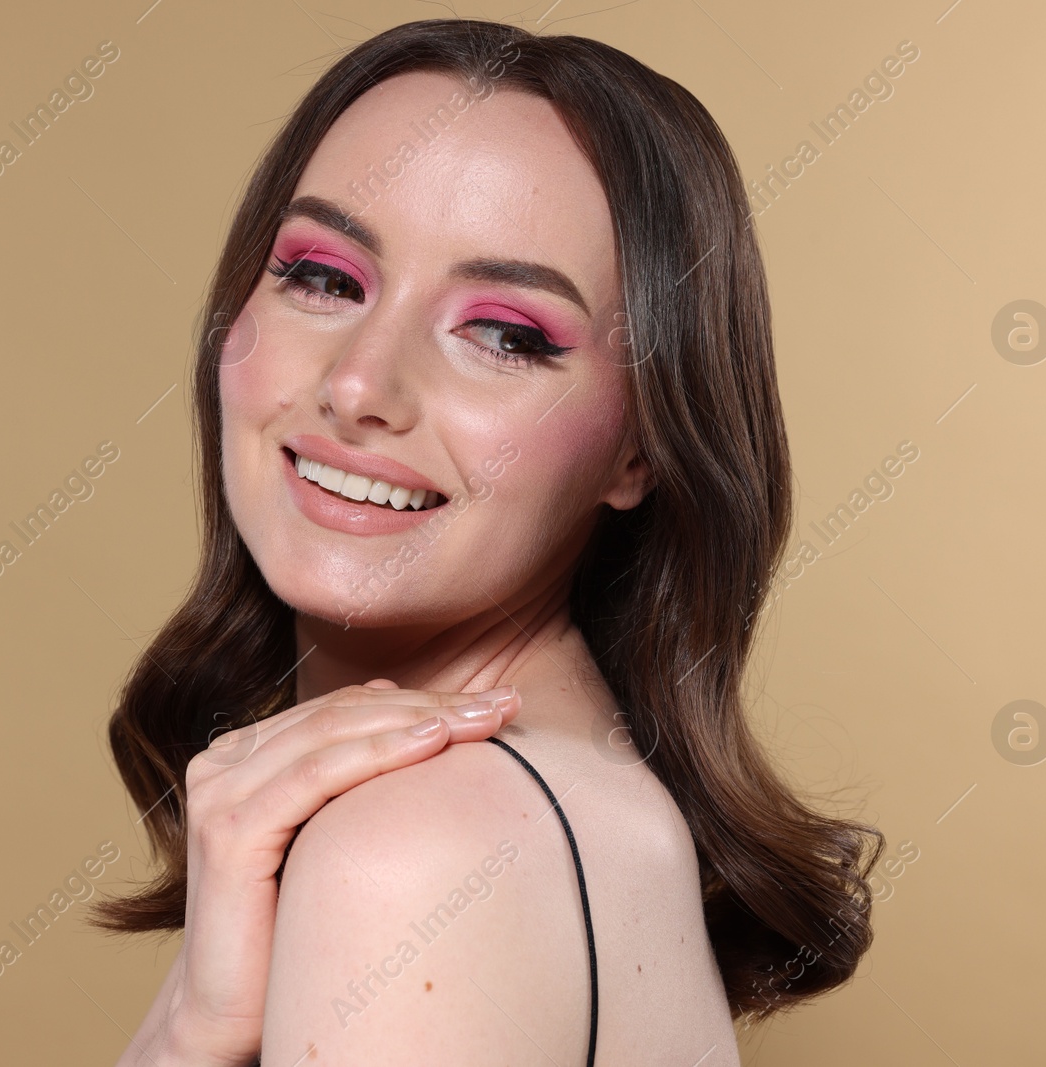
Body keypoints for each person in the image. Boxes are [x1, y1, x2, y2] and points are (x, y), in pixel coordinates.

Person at [93, 17, 883, 1066]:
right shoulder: (578, 798)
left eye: (505, 334)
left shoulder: (414, 851)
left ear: (639, 449)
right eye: (324, 277)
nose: (359, 385)